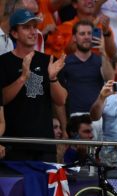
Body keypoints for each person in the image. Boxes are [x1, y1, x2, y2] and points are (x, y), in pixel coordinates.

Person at [1, 9, 67, 161]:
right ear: (14, 33)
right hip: (13, 144)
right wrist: (23, 77)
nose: (33, 31)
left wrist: (52, 78)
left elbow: (61, 100)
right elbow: (2, 99)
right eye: (26, 27)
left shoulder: (49, 61)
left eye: (34, 27)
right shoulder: (3, 62)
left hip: (44, 143)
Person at [56, 20, 114, 140]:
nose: (86, 37)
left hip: (99, 118)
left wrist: (103, 52)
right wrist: (64, 125)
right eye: (82, 34)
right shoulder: (65, 62)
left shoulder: (100, 60)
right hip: (75, 118)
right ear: (74, 38)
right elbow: (58, 100)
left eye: (89, 33)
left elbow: (110, 79)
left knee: (101, 158)